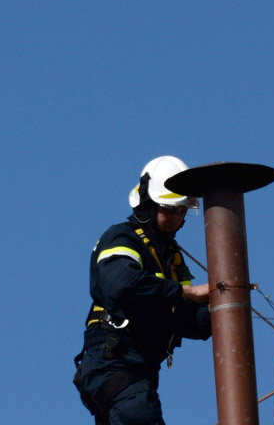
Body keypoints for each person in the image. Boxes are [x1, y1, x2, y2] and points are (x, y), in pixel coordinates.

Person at [74, 156, 212, 425]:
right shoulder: (122, 238)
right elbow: (123, 285)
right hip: (114, 364)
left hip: (139, 372)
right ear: (147, 205)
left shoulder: (171, 258)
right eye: (169, 209)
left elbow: (184, 318)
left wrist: (223, 309)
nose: (177, 217)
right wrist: (188, 293)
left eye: (182, 210)